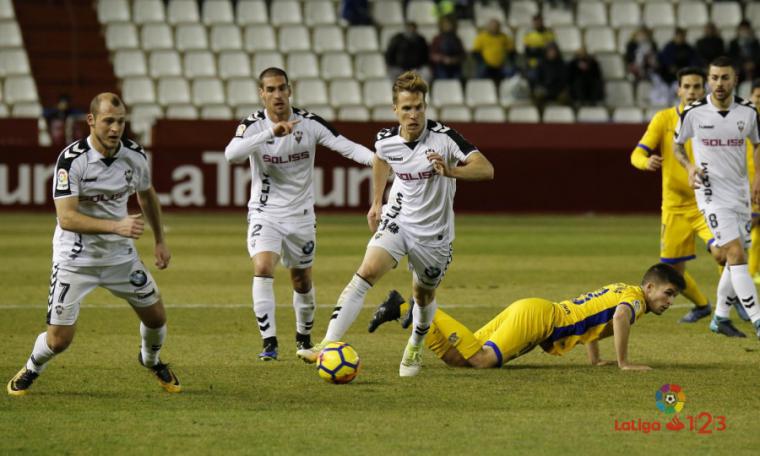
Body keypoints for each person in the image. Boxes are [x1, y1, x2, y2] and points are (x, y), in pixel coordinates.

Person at [296, 71, 494, 376]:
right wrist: (377, 202)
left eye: (418, 107)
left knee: (423, 295)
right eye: (406, 108)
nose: (413, 115)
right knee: (366, 272)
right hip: (397, 219)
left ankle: (416, 342)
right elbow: (379, 159)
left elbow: (486, 170)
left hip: (434, 235)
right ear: (395, 110)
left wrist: (451, 172)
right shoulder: (386, 140)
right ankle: (327, 343)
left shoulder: (445, 138)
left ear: (425, 107)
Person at [7, 93, 180, 396]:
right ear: (91, 121)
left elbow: (146, 194)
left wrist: (160, 240)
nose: (115, 129)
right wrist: (118, 225)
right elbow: (67, 218)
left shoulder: (135, 155)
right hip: (76, 258)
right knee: (59, 341)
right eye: (108, 121)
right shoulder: (72, 160)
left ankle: (150, 359)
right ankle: (32, 367)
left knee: (156, 317)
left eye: (121, 122)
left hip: (120, 257)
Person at [224, 68, 374, 361]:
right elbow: (232, 154)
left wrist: (379, 161)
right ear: (261, 94)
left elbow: (347, 147)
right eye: (270, 89)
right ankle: (269, 343)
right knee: (263, 267)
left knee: (301, 281)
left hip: (301, 216)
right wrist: (271, 132)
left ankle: (303, 338)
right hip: (264, 213)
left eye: (281, 88)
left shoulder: (310, 123)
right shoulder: (253, 126)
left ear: (290, 90)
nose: (277, 95)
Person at [368, 263, 685, 370]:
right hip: (540, 320)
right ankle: (413, 307)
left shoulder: (624, 289)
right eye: (668, 293)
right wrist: (624, 363)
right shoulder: (636, 301)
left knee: (457, 358)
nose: (669, 301)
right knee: (482, 361)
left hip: (536, 312)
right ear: (650, 286)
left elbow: (592, 322)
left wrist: (594, 359)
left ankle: (406, 308)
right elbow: (617, 319)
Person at [630, 66, 741, 324]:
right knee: (672, 271)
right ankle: (702, 305)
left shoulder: (716, 119)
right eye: (687, 86)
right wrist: (645, 163)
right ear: (679, 90)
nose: (691, 92)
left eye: (697, 87)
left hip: (708, 203)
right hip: (674, 206)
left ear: (705, 89)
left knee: (723, 252)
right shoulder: (664, 119)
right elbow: (636, 153)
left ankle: (734, 301)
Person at [674, 56, 760, 339]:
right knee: (735, 254)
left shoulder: (748, 112)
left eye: (725, 78)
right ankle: (759, 319)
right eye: (714, 78)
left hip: (740, 193)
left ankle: (721, 317)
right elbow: (677, 147)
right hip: (710, 193)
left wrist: (758, 177)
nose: (719, 84)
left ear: (735, 80)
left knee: (736, 256)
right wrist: (689, 167)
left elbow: (757, 144)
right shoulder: (694, 112)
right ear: (708, 80)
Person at [472, 18, 516, 85]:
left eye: (496, 26)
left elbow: (511, 50)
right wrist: (483, 62)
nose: (494, 28)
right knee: (480, 74)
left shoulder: (504, 37)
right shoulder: (481, 37)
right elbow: (476, 52)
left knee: (512, 72)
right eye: (492, 26)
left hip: (501, 65)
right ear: (488, 27)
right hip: (486, 65)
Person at [748, 79, 760, 285]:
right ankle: (748, 272)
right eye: (758, 97)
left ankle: (751, 272)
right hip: (746, 186)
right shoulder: (744, 120)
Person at [429, 15, 466, 80]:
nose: (448, 26)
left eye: (449, 24)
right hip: (441, 67)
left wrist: (454, 60)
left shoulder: (457, 39)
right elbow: (432, 55)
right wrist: (443, 59)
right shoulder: (437, 39)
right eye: (445, 24)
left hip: (455, 67)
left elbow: (462, 55)